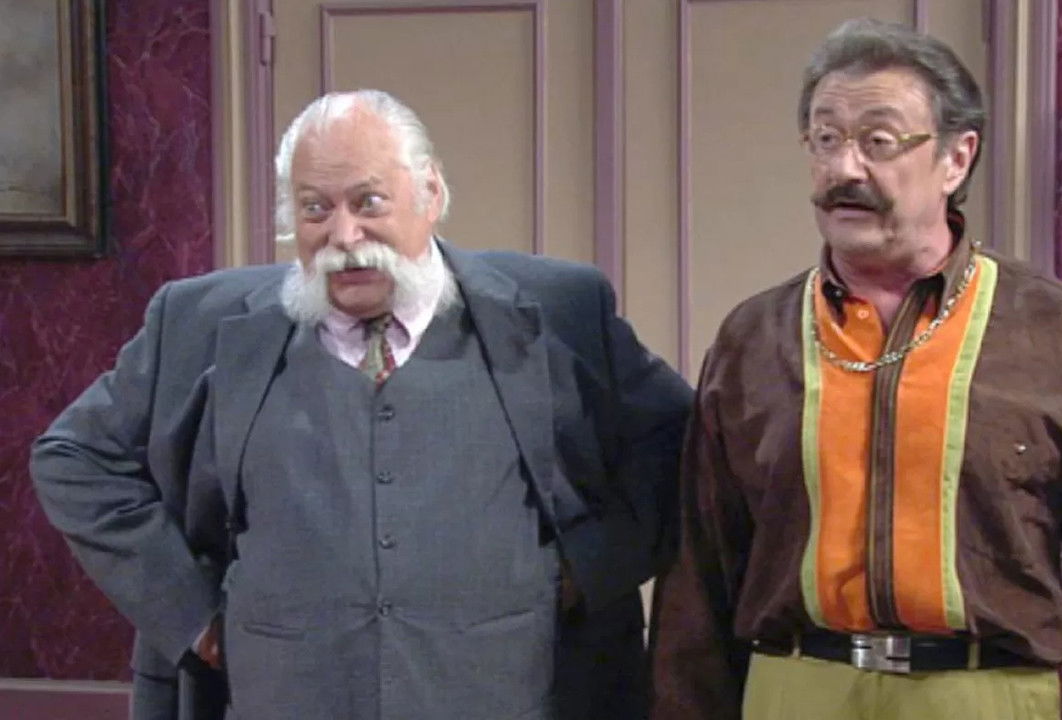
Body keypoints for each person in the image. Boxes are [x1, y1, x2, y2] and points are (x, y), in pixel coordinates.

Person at [32, 89, 691, 720]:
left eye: (368, 201)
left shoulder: (560, 309)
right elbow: (74, 457)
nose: (344, 235)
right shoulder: (197, 321)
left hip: (511, 695)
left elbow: (678, 445)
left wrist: (589, 567)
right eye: (314, 209)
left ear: (431, 193)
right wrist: (190, 612)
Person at [649, 18, 1062, 720]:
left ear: (955, 158)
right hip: (796, 687)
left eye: (878, 141)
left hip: (986, 692)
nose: (845, 170)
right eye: (826, 139)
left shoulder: (1056, 333)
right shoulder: (753, 339)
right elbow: (698, 582)